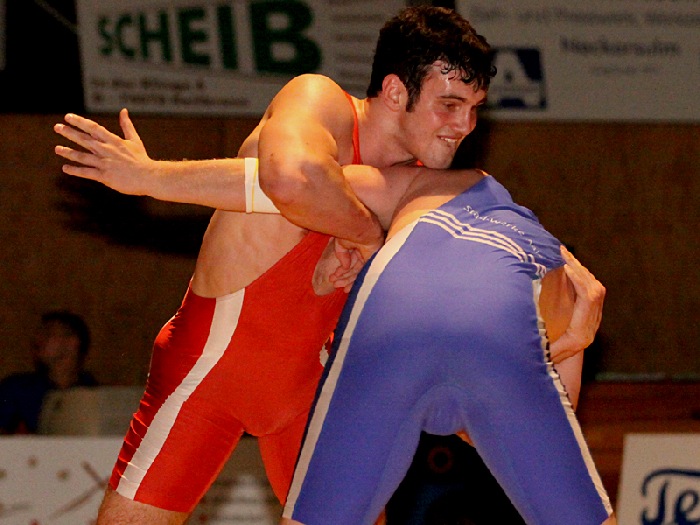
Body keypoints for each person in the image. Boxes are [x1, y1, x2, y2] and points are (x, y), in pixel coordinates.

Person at [53, 6, 604, 524]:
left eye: (475, 108)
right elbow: (289, 179)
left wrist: (563, 296)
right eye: (450, 104)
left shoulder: (419, 187)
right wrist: (366, 235)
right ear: (396, 91)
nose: (464, 125)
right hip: (209, 374)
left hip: (315, 397)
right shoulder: (321, 103)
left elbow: (501, 240)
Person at [278, 164, 615, 525]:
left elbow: (284, 178)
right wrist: (564, 347)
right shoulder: (559, 274)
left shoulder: (411, 188)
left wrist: (359, 237)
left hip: (397, 315)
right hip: (513, 329)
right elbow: (518, 436)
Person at [0, 310, 98, 434]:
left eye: (47, 334)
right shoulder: (16, 388)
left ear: (72, 342)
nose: (37, 340)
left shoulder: (93, 393)